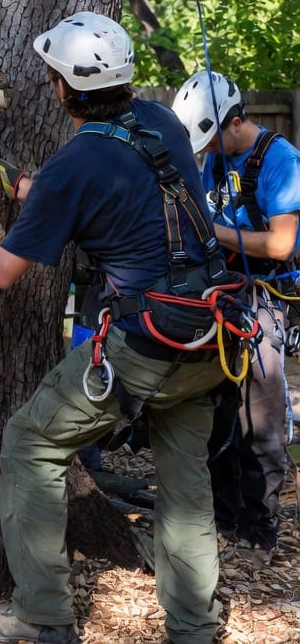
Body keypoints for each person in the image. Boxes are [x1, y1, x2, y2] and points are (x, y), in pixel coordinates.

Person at [0, 12, 232, 644]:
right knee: (186, 485)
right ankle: (195, 627)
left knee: (30, 441)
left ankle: (42, 617)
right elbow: (126, 192)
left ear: (60, 88)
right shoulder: (160, 124)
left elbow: (0, 271)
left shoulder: (77, 163)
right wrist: (31, 188)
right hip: (210, 334)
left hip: (145, 345)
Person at [172, 70, 300, 562]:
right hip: (221, 291)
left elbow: (282, 243)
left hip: (264, 294)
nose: (209, 154)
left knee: (260, 412)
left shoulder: (281, 161)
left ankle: (259, 527)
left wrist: (212, 233)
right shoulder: (212, 157)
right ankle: (223, 514)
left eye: (213, 142)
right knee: (220, 405)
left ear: (237, 120)